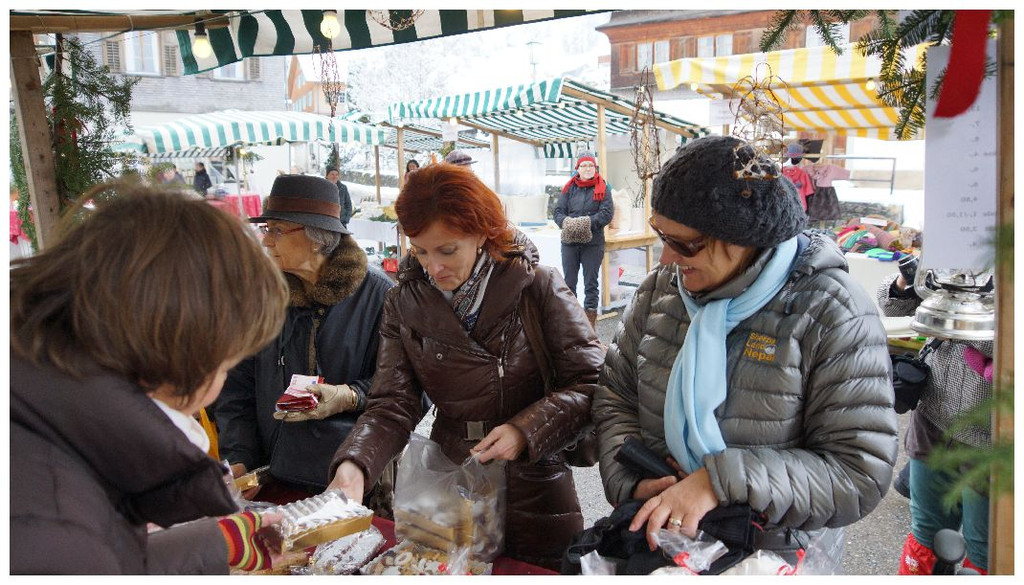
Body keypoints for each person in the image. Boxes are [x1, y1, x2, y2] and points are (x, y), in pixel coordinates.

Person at [594, 136, 898, 560]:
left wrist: (719, 482)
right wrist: (632, 481)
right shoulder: (658, 293)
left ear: (741, 238)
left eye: (684, 243)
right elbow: (615, 397)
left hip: (770, 554)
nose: (665, 258)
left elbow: (858, 471)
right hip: (656, 536)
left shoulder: (831, 311)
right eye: (661, 235)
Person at [327, 163, 604, 569]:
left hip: (533, 480)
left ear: (481, 233)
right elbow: (392, 403)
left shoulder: (537, 286)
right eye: (420, 251)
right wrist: (356, 464)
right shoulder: (404, 303)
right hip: (450, 473)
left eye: (447, 250)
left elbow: (592, 382)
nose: (433, 267)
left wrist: (524, 430)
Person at [10, 182, 290, 574]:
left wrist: (217, 542)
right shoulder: (53, 532)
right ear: (184, 359)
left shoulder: (38, 401)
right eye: (226, 365)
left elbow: (110, 555)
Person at [213, 174, 394, 508]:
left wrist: (349, 395)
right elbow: (237, 388)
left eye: (277, 230)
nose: (266, 241)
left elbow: (403, 390)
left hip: (351, 481)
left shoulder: (380, 296)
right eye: (266, 229)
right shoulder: (264, 295)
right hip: (271, 477)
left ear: (316, 238)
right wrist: (240, 458)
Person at [877, 271, 993, 575]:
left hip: (991, 438)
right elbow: (892, 307)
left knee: (984, 549)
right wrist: (908, 279)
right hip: (933, 418)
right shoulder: (951, 256)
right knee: (926, 534)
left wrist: (959, 325)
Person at [553, 152, 614, 329]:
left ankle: (589, 328)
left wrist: (585, 223)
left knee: (591, 284)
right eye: (583, 165)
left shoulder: (604, 188)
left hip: (593, 243)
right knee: (569, 283)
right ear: (577, 169)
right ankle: (571, 325)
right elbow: (558, 211)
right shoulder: (569, 188)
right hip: (570, 244)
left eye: (590, 165)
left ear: (595, 168)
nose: (587, 168)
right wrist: (566, 222)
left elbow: (606, 214)